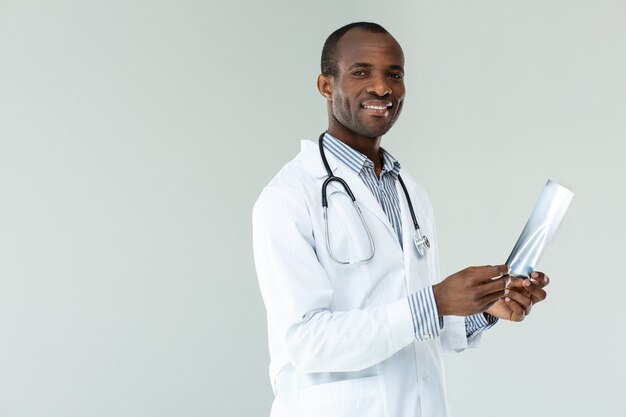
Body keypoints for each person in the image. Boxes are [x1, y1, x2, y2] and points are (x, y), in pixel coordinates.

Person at [252, 22, 549, 417]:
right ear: (326, 86)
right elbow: (306, 341)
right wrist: (435, 301)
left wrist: (483, 308)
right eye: (361, 72)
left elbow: (420, 329)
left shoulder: (411, 193)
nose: (382, 88)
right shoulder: (289, 197)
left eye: (394, 74)